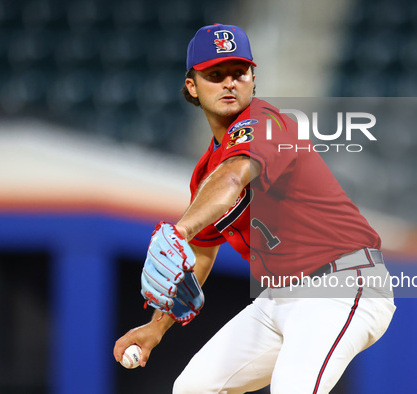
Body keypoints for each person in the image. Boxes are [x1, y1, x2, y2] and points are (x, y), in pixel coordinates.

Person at [114, 23, 395, 393]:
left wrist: (180, 230)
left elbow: (234, 177)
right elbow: (199, 253)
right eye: (215, 75)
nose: (229, 82)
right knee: (193, 388)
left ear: (252, 79)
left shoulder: (264, 123)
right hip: (279, 298)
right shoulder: (205, 175)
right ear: (192, 86)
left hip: (341, 284)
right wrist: (156, 326)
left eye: (238, 72)